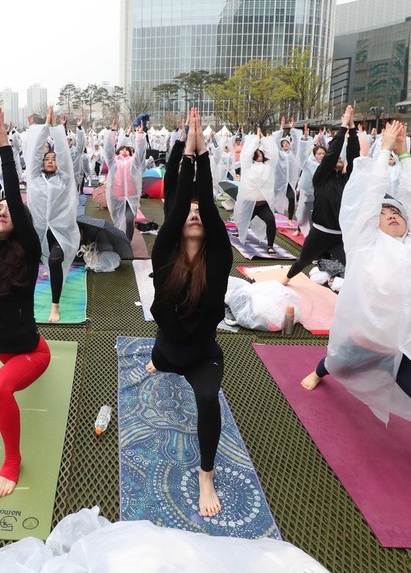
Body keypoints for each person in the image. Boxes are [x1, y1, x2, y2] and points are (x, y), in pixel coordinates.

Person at [301, 121, 411, 540]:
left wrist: (408, 158)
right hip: (365, 337)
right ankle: (322, 370)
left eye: (397, 213)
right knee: (339, 361)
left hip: (408, 347)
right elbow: (362, 200)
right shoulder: (364, 243)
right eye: (384, 213)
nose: (391, 216)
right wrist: (379, 157)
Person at [146, 108, 232, 518]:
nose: (194, 214)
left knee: (207, 400)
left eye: (199, 212)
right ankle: (154, 359)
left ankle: (205, 473)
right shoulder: (165, 255)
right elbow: (177, 205)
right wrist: (186, 157)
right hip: (166, 350)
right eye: (189, 213)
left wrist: (203, 160)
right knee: (160, 358)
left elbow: (211, 211)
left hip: (201, 353)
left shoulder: (218, 261)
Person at [0, 109, 51, 499]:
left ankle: (12, 462)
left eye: (8, 212)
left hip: (33, 351)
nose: (2, 212)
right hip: (0, 349)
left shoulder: (28, 250)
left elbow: (15, 202)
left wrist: (3, 148)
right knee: (3, 380)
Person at [282, 106, 360, 285]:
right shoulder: (321, 178)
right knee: (303, 261)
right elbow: (331, 154)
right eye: (336, 159)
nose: (339, 159)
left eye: (342, 159)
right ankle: (285, 281)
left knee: (354, 267)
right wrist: (342, 127)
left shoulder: (349, 179)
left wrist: (352, 129)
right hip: (319, 233)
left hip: (340, 237)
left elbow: (354, 157)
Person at [24, 106, 82, 323]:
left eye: (53, 159)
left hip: (61, 231)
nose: (50, 161)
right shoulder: (34, 179)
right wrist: (45, 126)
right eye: (46, 159)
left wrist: (57, 128)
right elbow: (36, 151)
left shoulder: (64, 180)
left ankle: (54, 305)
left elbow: (65, 158)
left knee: (56, 260)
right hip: (39, 230)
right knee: (29, 261)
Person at [234, 127, 280, 253]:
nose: (260, 155)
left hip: (262, 204)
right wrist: (255, 140)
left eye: (261, 153)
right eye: (257, 153)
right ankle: (240, 232)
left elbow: (273, 153)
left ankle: (270, 245)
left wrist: (264, 139)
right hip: (250, 203)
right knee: (242, 222)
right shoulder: (248, 166)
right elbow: (246, 154)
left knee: (271, 221)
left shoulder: (269, 166)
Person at [104, 119, 147, 240]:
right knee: (118, 221)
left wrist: (139, 135)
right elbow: (108, 150)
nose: (124, 151)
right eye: (122, 149)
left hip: (130, 197)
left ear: (130, 151)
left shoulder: (133, 162)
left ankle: (128, 241)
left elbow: (140, 153)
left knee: (129, 219)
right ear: (118, 151)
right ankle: (119, 239)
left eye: (126, 149)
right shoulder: (113, 162)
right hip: (117, 196)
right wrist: (113, 132)